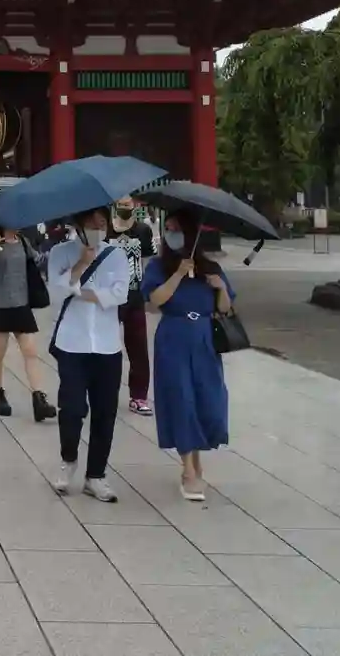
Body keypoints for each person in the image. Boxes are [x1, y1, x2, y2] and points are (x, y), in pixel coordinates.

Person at [142, 209, 235, 501]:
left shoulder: (211, 268)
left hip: (204, 338)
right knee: (181, 398)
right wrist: (178, 274)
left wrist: (220, 288)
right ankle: (188, 470)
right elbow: (154, 301)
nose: (172, 234)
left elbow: (225, 308)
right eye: (168, 229)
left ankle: (197, 459)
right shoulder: (158, 267)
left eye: (177, 229)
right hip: (174, 337)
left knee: (208, 398)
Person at [45, 208, 131, 501]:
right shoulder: (60, 253)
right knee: (71, 408)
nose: (98, 227)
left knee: (105, 412)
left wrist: (81, 292)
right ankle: (68, 460)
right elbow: (55, 293)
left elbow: (120, 294)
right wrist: (82, 264)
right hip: (72, 343)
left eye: (102, 222)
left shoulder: (116, 255)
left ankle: (96, 475)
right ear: (79, 225)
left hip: (107, 346)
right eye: (92, 223)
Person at [0, 227, 57, 423]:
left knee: (30, 350)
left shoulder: (23, 241)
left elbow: (39, 260)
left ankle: (39, 399)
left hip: (21, 304)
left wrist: (63, 253)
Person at [108, 196, 157, 416]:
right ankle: (105, 392)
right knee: (107, 348)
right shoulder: (106, 231)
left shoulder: (143, 230)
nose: (125, 207)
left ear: (135, 206)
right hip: (110, 297)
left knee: (138, 348)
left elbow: (148, 261)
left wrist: (148, 288)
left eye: (129, 203)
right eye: (121, 203)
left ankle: (138, 396)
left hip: (135, 295)